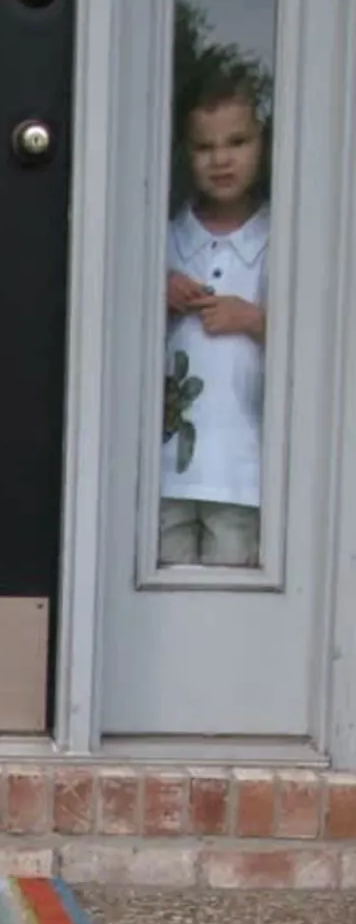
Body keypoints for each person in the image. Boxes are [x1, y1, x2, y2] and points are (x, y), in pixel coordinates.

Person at [161, 72, 270, 567]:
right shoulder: (163, 239)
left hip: (243, 474)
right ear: (185, 152)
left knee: (234, 600)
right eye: (205, 147)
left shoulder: (279, 240)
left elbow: (320, 337)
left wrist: (254, 319)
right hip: (163, 473)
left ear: (263, 144)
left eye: (237, 142)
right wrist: (154, 298)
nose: (221, 159)